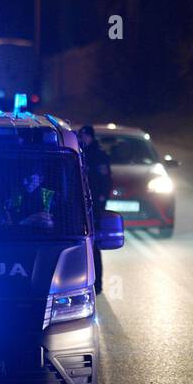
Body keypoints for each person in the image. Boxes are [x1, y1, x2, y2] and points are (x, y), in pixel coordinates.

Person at [79, 125, 112, 295]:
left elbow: (105, 181)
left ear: (91, 137)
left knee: (94, 246)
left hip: (94, 208)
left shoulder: (98, 156)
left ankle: (97, 284)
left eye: (86, 136)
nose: (83, 139)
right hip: (77, 206)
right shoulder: (76, 154)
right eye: (81, 136)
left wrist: (101, 201)